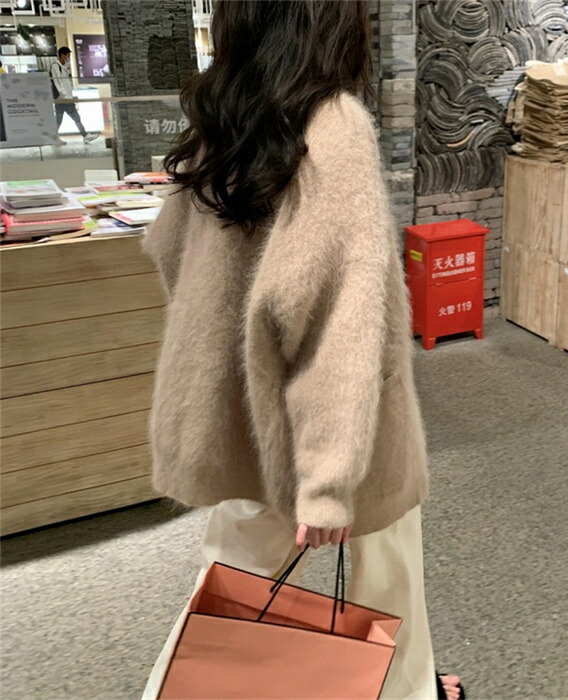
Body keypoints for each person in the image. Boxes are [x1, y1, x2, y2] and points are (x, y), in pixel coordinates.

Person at [141, 2, 464, 699]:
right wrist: (327, 481)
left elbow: (167, 250)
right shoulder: (334, 123)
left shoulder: (220, 119)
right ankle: (412, 690)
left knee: (230, 595)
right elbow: (341, 318)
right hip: (343, 437)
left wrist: (225, 343)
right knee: (387, 586)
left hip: (239, 419)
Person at [50, 47, 99, 144]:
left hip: (65, 98)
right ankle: (85, 135)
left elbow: (65, 83)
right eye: (68, 55)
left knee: (61, 119)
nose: (68, 58)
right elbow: (57, 82)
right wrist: (65, 96)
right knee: (74, 118)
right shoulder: (56, 66)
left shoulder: (63, 66)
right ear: (62, 55)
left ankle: (54, 138)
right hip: (63, 99)